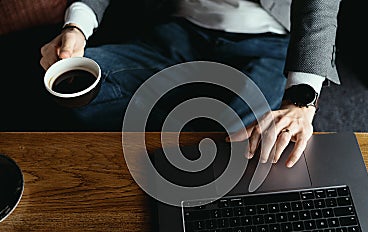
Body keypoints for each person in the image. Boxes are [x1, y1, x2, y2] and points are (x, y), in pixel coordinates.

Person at [40, 0, 342, 168]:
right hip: (179, 32)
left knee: (233, 132)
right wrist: (77, 27)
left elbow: (319, 8)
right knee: (79, 91)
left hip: (269, 40)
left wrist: (300, 102)